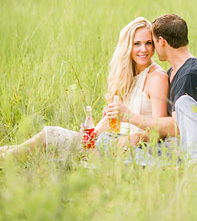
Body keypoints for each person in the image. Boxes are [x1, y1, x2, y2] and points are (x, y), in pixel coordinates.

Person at [0, 17, 169, 161]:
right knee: (44, 145)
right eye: (137, 44)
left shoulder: (156, 78)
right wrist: (93, 133)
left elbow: (160, 130)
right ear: (127, 47)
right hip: (109, 142)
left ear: (154, 46)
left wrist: (134, 138)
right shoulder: (128, 76)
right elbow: (112, 120)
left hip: (129, 150)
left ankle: (7, 160)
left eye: (148, 43)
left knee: (49, 135)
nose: (144, 49)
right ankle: (7, 157)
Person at [109, 14, 197, 165]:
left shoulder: (190, 74)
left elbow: (178, 127)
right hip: (175, 146)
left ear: (161, 41)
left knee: (126, 153)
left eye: (151, 42)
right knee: (108, 143)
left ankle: (186, 169)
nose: (150, 49)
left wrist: (130, 117)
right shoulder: (173, 73)